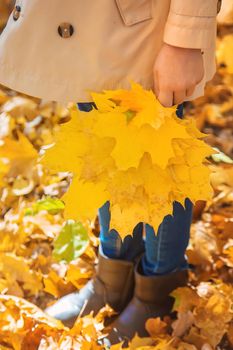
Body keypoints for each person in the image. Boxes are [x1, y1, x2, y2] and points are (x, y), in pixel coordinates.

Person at [0, 0, 221, 344]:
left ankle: (157, 289)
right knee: (105, 146)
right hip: (92, 27)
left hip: (149, 25)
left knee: (157, 161)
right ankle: (114, 277)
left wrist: (185, 39)